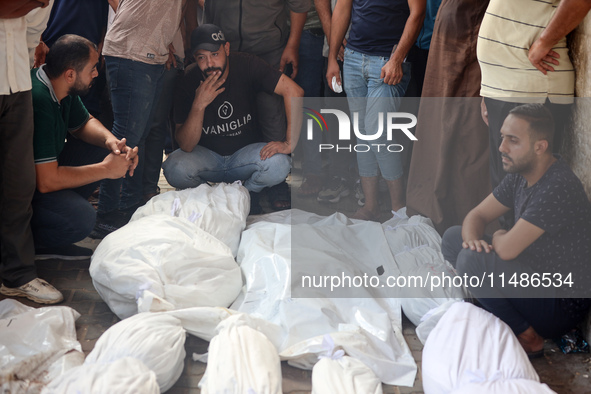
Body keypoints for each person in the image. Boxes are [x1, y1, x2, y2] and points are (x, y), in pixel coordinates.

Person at [442, 104, 591, 357]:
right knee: (453, 238)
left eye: (513, 140)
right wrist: (472, 241)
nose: (502, 147)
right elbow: (477, 215)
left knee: (470, 261)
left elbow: (508, 249)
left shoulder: (557, 186)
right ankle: (496, 305)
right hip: (531, 273)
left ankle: (528, 335)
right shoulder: (521, 173)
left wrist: (497, 237)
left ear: (540, 147)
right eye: (502, 138)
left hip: (560, 303)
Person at [162, 24, 303, 213]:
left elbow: (293, 90)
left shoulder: (246, 64)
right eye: (202, 58)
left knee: (280, 164)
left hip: (245, 156)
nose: (210, 64)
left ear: (226, 49)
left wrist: (289, 143)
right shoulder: (188, 79)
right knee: (174, 167)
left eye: (215, 54)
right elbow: (186, 146)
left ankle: (247, 193)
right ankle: (211, 197)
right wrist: (199, 105)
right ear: (194, 58)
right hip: (207, 158)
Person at [29, 35, 138, 263]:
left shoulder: (60, 84)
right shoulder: (39, 99)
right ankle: (32, 243)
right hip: (27, 192)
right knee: (83, 218)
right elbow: (46, 181)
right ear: (70, 74)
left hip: (43, 178)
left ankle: (56, 223)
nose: (96, 73)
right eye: (92, 68)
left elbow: (84, 123)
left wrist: (113, 143)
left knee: (101, 147)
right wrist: (107, 170)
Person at [92, 0, 184, 239]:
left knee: (138, 137)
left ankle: (129, 206)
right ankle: (107, 214)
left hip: (150, 52)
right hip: (131, 53)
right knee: (127, 137)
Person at [327, 0, 426, 221]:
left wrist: (397, 59)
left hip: (388, 62)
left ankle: (399, 209)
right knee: (362, 134)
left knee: (377, 132)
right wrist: (333, 58)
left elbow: (418, 13)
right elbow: (343, 7)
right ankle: (371, 206)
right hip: (353, 59)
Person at [478, 0, 591, 193]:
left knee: (526, 196)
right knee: (506, 192)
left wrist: (544, 42)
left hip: (532, 86)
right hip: (504, 86)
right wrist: (487, 88)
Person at [405, 0, 490, 234]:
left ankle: (463, 217)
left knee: (466, 137)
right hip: (450, 46)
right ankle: (439, 210)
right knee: (440, 127)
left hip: (468, 49)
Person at [0, 0, 58, 305]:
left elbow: (35, 24)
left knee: (18, 185)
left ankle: (18, 275)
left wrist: (25, 55)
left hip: (16, 82)